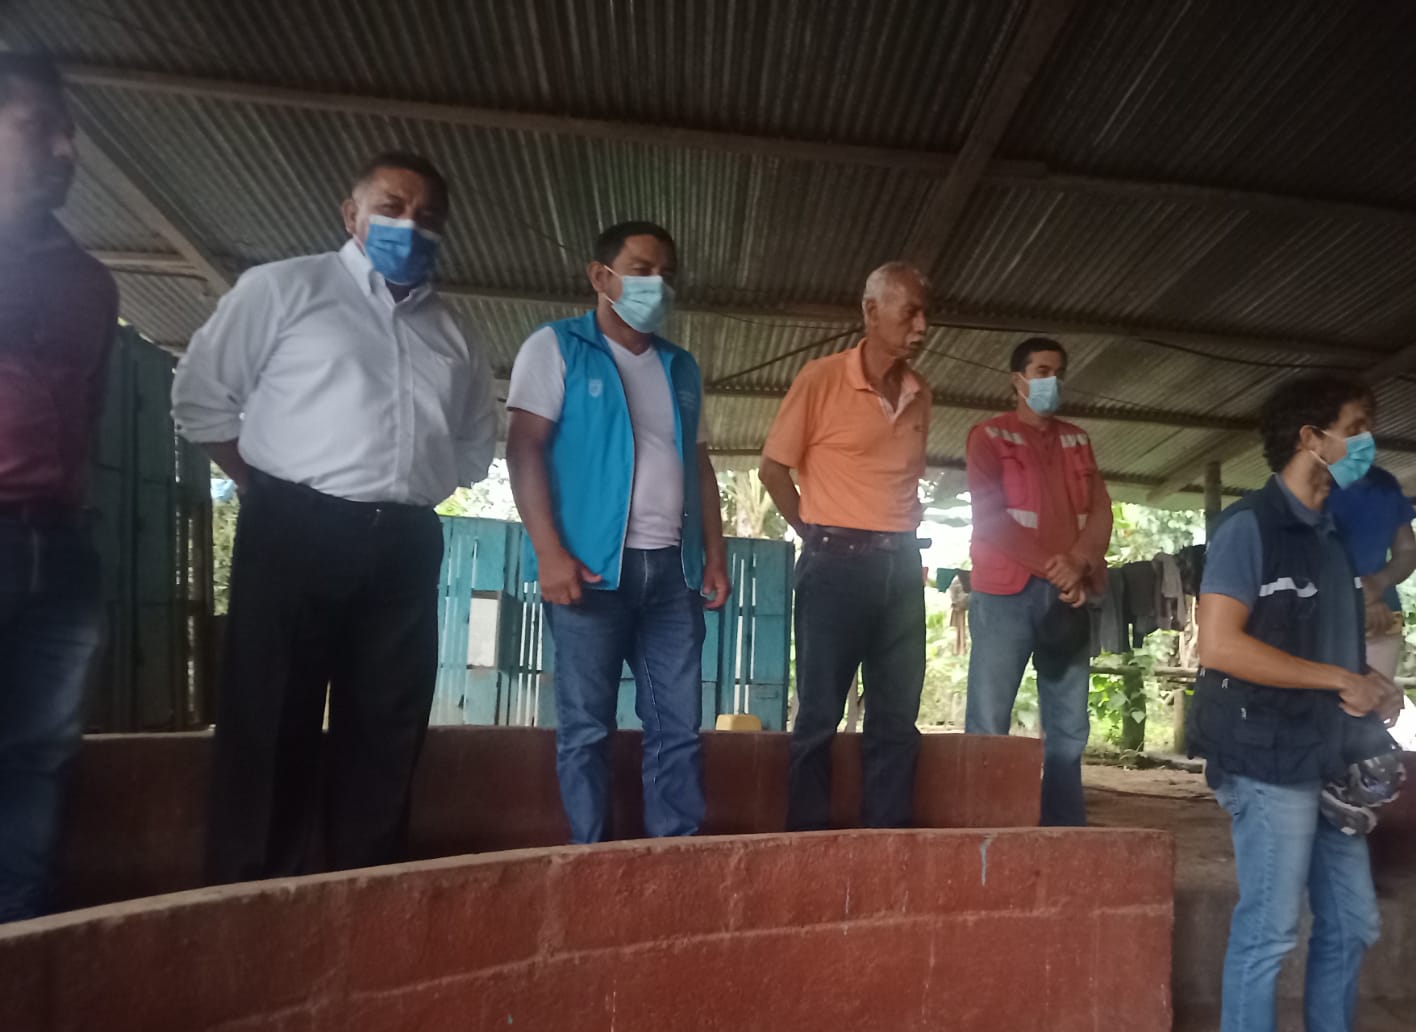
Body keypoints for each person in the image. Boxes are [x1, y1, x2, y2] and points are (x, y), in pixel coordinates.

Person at [172, 151, 496, 882]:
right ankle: (252, 901)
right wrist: (264, 488)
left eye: (427, 216)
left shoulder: (454, 332)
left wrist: (400, 485)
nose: (409, 225)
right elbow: (201, 399)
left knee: (388, 729)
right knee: (269, 718)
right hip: (292, 529)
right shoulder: (285, 289)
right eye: (391, 207)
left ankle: (363, 892)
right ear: (351, 215)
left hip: (405, 542)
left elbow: (475, 447)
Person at [1189, 373, 1416, 1032]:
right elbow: (1220, 645)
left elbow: (1328, 651)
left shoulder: (1330, 532)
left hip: (1325, 750)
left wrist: (1368, 685)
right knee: (1269, 926)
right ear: (1309, 438)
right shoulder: (1249, 526)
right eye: (1355, 426)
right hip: (1264, 752)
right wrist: (1338, 679)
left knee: (1353, 921)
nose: (1367, 442)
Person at [505, 221, 728, 844]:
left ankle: (673, 854)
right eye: (641, 270)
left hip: (672, 574)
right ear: (600, 277)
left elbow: (699, 464)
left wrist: (713, 554)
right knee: (586, 728)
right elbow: (524, 449)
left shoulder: (681, 367)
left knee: (677, 727)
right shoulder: (556, 347)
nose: (657, 284)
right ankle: (592, 857)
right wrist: (550, 553)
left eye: (666, 274)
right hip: (590, 571)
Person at [0, 55, 118, 921]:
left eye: (68, 132)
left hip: (60, 544)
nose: (66, 149)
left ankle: (21, 942)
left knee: (40, 752)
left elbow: (90, 411)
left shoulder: (88, 282)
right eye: (39, 127)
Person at [760, 262, 931, 831]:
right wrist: (815, 534)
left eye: (925, 314)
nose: (921, 327)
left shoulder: (920, 392)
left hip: (903, 565)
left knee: (897, 717)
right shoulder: (821, 378)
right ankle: (806, 844)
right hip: (834, 563)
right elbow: (773, 469)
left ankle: (887, 843)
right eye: (910, 312)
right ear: (871, 312)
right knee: (818, 713)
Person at [963, 337, 1111, 826]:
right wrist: (1057, 567)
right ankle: (983, 827)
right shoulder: (988, 436)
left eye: (1058, 372)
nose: (1053, 381)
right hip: (1004, 594)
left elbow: (1101, 512)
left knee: (1069, 722)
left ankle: (1064, 828)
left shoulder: (1077, 440)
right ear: (1017, 380)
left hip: (1067, 595)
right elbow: (990, 519)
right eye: (1042, 371)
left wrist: (1081, 562)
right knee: (989, 718)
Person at [1324, 395, 1416, 679]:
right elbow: (1305, 554)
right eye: (1354, 428)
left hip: (1381, 613)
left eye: (1368, 425)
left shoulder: (1385, 483)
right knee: (1326, 696)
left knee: (1377, 696)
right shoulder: (1311, 485)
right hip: (1324, 610)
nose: (1364, 435)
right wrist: (1359, 595)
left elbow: (1407, 552)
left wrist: (1378, 583)